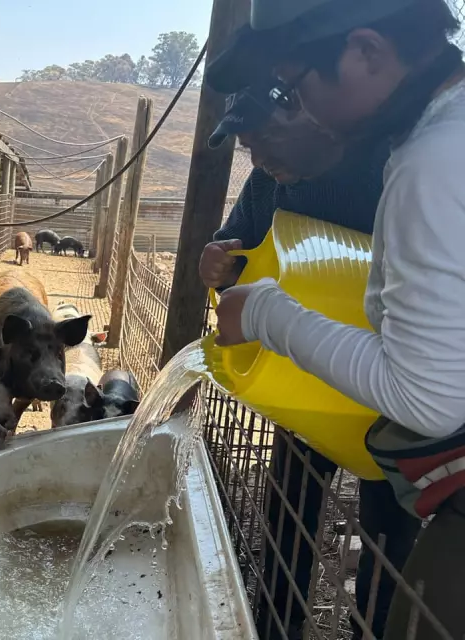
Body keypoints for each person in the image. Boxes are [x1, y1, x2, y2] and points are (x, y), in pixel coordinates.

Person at [205, 0, 465, 637]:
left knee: (402, 566)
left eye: (294, 88)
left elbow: (427, 398)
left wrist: (266, 313)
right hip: (348, 386)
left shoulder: (430, 161)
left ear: (369, 52)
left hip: (400, 419)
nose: (301, 110)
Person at [202, 82, 417, 640]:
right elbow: (238, 245)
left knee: (389, 531)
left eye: (267, 139)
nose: (261, 159)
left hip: (395, 389)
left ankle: (370, 627)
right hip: (305, 382)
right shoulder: (268, 180)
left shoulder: (393, 167)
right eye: (249, 148)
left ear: (309, 112)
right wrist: (220, 256)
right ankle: (277, 622)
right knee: (289, 508)